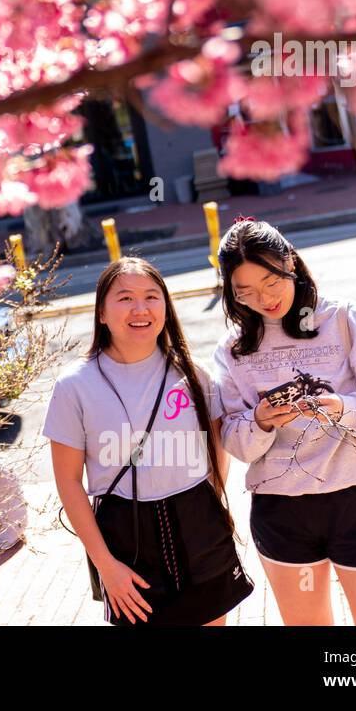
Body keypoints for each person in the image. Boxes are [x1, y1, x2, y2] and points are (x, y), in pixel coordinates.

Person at [212, 218, 356, 625]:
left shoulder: (345, 319)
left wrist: (342, 406)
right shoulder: (233, 350)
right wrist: (261, 420)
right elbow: (235, 442)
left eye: (271, 283)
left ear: (289, 260)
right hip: (281, 511)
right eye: (246, 292)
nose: (264, 299)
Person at [44, 256, 254, 625]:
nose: (140, 309)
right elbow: (68, 482)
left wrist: (210, 503)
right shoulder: (74, 385)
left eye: (152, 297)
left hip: (198, 519)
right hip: (126, 534)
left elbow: (218, 445)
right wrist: (106, 565)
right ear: (102, 314)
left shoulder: (193, 372)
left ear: (165, 307)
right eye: (124, 298)